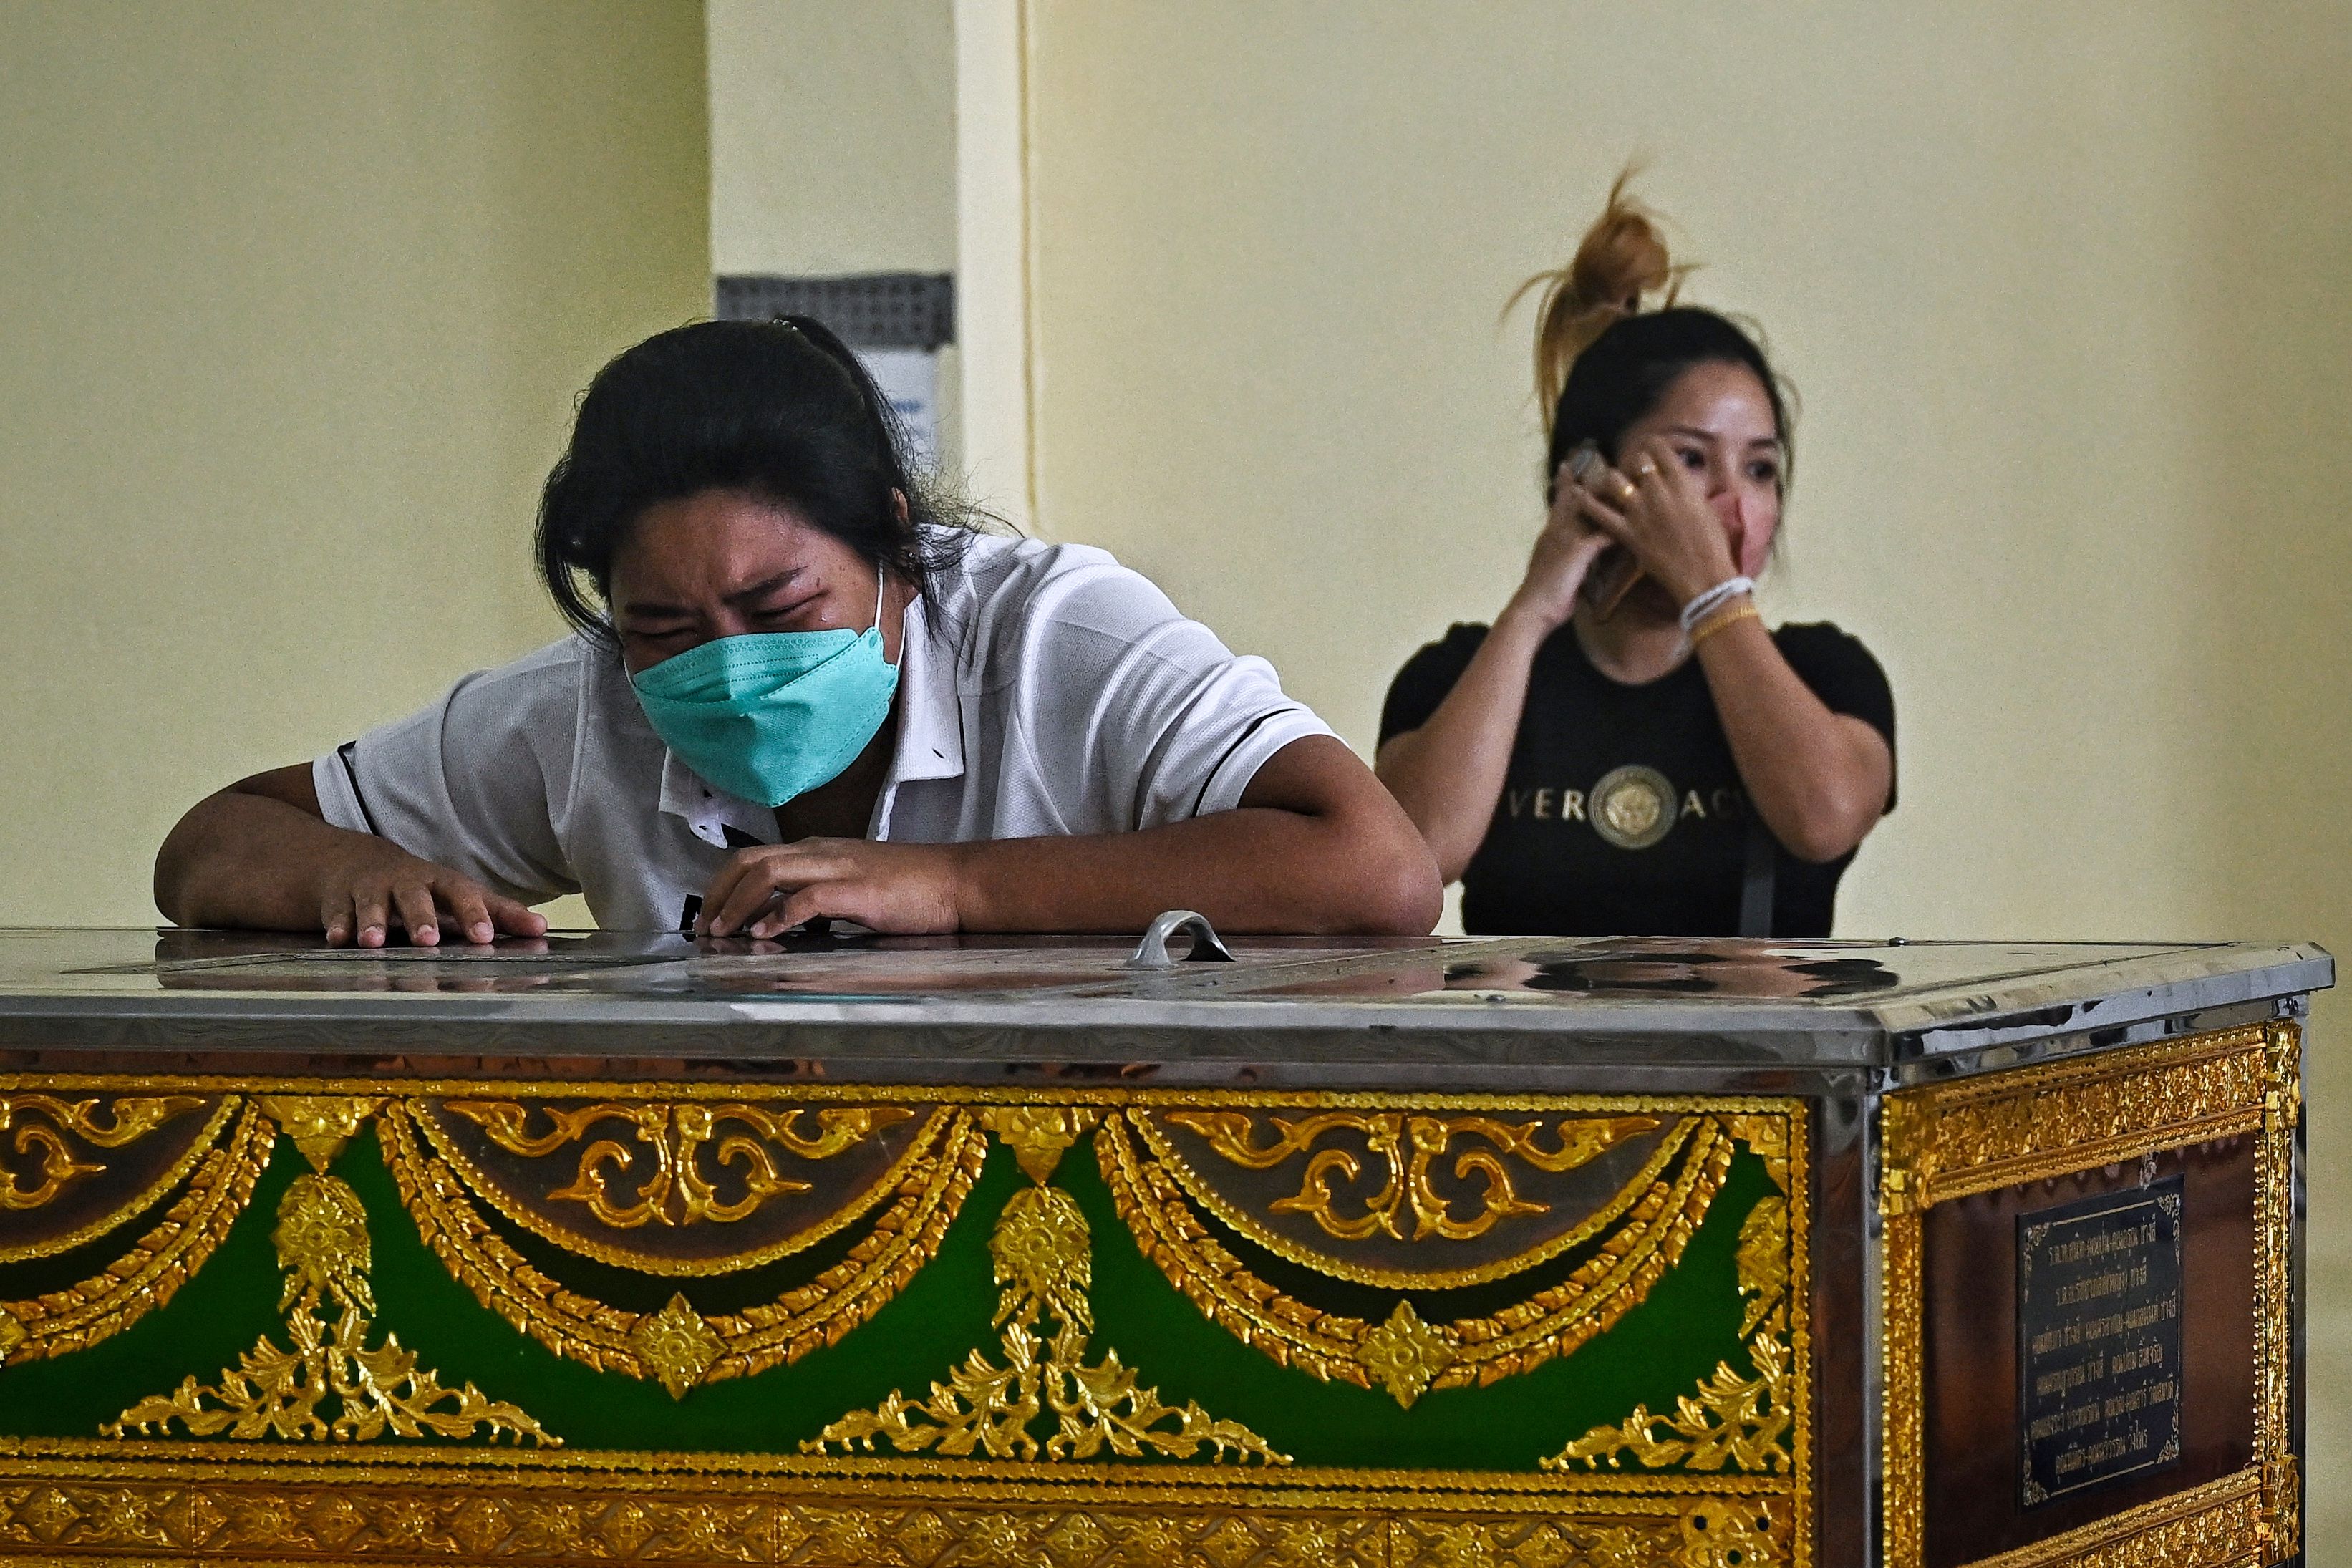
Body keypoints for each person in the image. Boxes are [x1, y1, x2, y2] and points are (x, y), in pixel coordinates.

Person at [155, 318, 1441, 945]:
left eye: (779, 611)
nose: (726, 662)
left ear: (893, 546)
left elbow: (1377, 873)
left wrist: (957, 888)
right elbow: (210, 845)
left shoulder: (1060, 636)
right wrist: (350, 878)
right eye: (663, 624)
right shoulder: (586, 710)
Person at [1375, 178, 1894, 937]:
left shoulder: (1825, 674)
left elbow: (1824, 818)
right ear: (1589, 472)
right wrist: (1531, 611)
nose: (1734, 503)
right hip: (1527, 1056)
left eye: (1760, 469)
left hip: (1760, 1059)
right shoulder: (1461, 675)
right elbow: (1411, 862)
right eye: (1692, 460)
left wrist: (1713, 597)